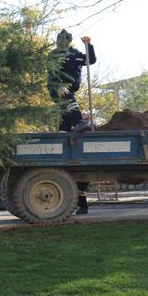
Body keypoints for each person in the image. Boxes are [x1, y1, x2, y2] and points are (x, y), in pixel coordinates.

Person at [48, 29, 96, 214]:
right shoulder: (54, 55)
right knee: (69, 105)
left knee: (64, 118)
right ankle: (77, 124)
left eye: (65, 40)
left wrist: (89, 45)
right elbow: (51, 73)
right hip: (59, 88)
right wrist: (57, 85)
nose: (63, 42)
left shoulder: (76, 54)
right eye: (60, 40)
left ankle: (65, 131)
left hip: (71, 89)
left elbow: (90, 61)